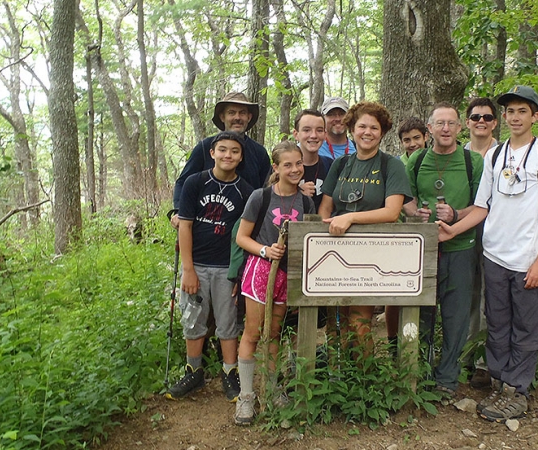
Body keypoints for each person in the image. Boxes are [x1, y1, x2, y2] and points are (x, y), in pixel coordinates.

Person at [438, 85, 538, 422]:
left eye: (523, 111)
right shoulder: (494, 155)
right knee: (498, 323)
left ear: (535, 115)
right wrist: (453, 229)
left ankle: (517, 390)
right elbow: (481, 207)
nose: (515, 117)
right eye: (510, 111)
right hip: (494, 254)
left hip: (527, 258)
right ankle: (499, 381)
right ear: (503, 117)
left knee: (526, 324)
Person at [401, 103, 484, 397]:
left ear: (460, 128)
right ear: (430, 129)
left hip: (461, 247)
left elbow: (482, 205)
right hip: (423, 249)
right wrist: (416, 214)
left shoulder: (473, 161)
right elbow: (405, 199)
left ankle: (447, 377)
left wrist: (455, 215)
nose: (446, 129)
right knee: (423, 312)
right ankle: (421, 370)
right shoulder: (417, 160)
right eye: (440, 124)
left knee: (456, 315)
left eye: (451, 123)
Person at [165, 131, 254, 401]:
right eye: (223, 150)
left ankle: (230, 373)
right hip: (197, 264)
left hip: (226, 267)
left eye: (235, 151)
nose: (228, 155)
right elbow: (186, 226)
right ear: (212, 153)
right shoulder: (195, 182)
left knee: (228, 322)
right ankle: (194, 371)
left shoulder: (246, 191)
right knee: (193, 318)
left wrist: (238, 273)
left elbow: (246, 233)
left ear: (240, 158)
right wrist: (188, 269)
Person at [319, 101, 412, 356]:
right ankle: (343, 379)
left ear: (382, 132)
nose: (367, 132)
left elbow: (392, 212)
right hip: (337, 251)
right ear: (352, 129)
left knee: (360, 323)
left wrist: (350, 219)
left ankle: (364, 385)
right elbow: (325, 208)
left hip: (373, 254)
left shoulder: (391, 166)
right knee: (339, 322)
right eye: (362, 126)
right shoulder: (340, 165)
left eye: (374, 127)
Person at [234, 142, 315, 426]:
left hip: (287, 274)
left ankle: (271, 389)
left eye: (299, 164)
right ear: (276, 167)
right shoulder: (262, 197)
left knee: (275, 333)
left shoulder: (306, 202)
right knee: (254, 332)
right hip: (261, 270)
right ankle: (246, 396)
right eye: (288, 165)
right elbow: (242, 237)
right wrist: (266, 250)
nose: (295, 170)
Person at [171, 92, 271, 228]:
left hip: (243, 228)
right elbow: (183, 182)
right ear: (222, 117)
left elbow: (267, 189)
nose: (237, 117)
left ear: (249, 117)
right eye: (231, 112)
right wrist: (179, 211)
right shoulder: (205, 147)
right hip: (204, 226)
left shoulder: (259, 153)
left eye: (242, 113)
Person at [463, 97, 501, 389]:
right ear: (468, 122)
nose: (481, 122)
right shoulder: (459, 154)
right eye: (476, 117)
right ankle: (465, 351)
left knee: (492, 296)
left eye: (487, 117)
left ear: (495, 122)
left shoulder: (505, 154)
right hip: (464, 233)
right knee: (468, 294)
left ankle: (485, 362)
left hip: (497, 234)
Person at [385, 116, 430, 346]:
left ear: (426, 137)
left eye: (416, 138)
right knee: (394, 294)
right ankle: (393, 341)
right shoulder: (396, 164)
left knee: (422, 291)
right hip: (399, 235)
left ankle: (418, 341)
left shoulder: (433, 161)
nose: (412, 144)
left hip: (429, 236)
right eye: (406, 140)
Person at [295, 109, 333, 209]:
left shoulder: (331, 166)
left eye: (319, 130)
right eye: (306, 130)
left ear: (325, 135)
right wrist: (296, 193)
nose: (313, 136)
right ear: (296, 134)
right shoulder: (285, 166)